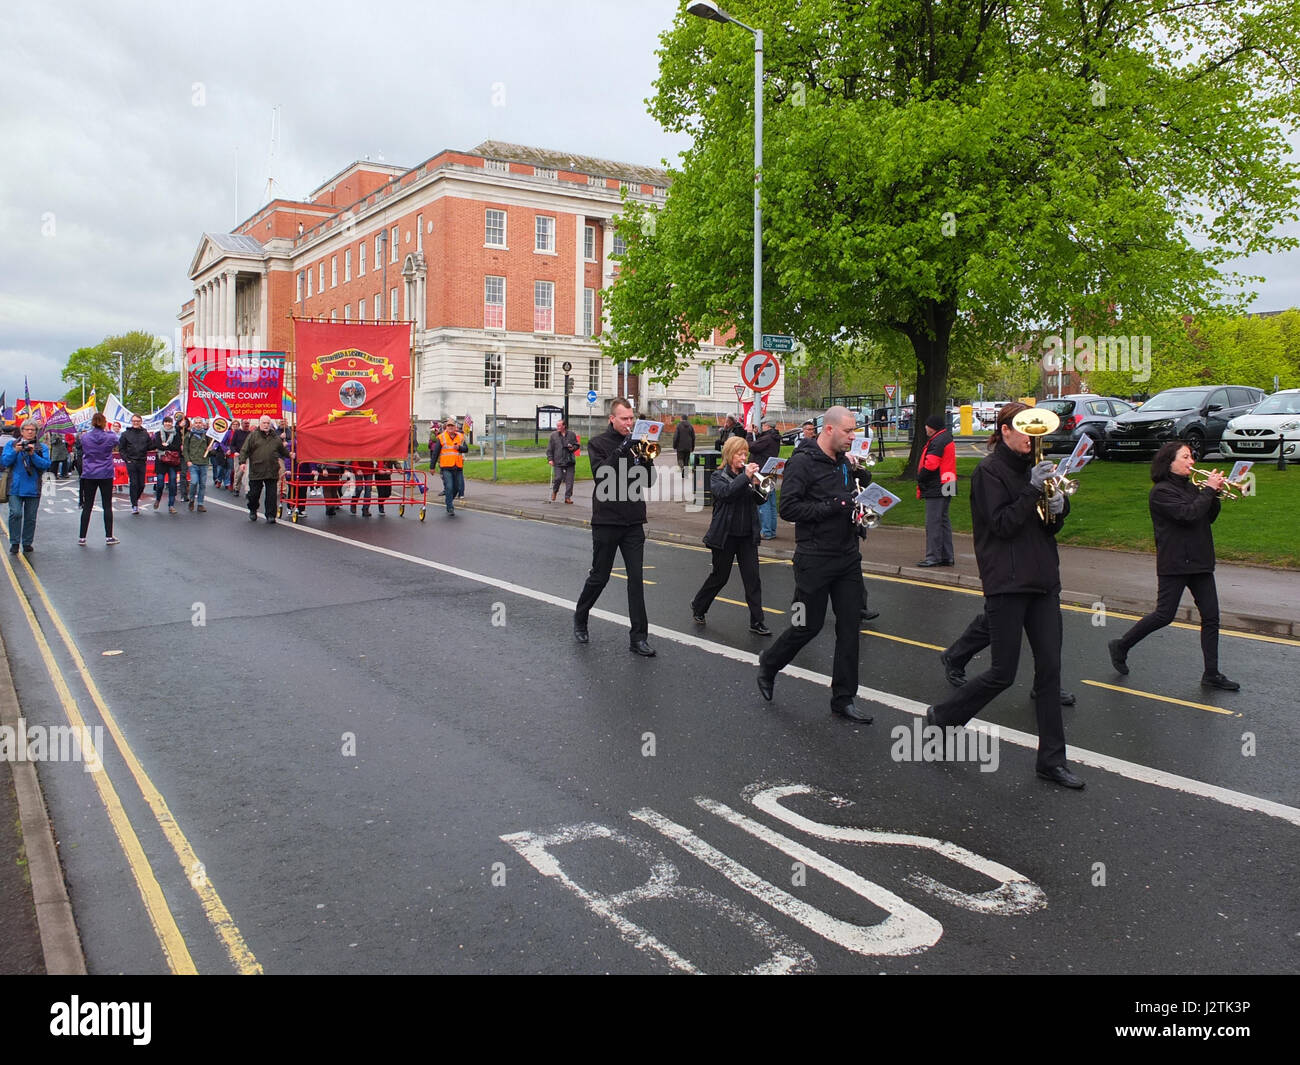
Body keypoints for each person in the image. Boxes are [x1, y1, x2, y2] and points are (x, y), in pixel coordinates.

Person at [925, 402, 1085, 789]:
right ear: (1005, 431)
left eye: (1036, 432)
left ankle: (1051, 760)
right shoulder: (988, 472)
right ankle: (944, 716)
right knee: (1003, 673)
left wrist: (1059, 507)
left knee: (1050, 672)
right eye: (1024, 430)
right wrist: (1031, 490)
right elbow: (1002, 525)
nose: (1032, 438)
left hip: (1044, 581)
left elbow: (1046, 527)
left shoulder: (1038, 468)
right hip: (1007, 582)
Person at [757, 406, 873, 722]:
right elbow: (789, 509)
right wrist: (834, 506)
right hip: (815, 557)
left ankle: (843, 699)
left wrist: (862, 488)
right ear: (829, 430)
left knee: (850, 628)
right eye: (849, 431)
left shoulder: (844, 462)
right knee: (807, 625)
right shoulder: (801, 463)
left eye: (854, 431)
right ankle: (769, 663)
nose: (853, 437)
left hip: (847, 555)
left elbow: (850, 495)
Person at [1107, 442, 1238, 691]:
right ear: (1170, 462)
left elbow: (1206, 516)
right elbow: (1187, 515)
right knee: (1164, 615)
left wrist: (1214, 495)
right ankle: (1121, 645)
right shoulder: (1161, 492)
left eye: (1191, 457)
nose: (1192, 462)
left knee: (1211, 617)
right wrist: (1207, 492)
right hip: (1175, 562)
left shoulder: (1191, 487)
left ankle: (1211, 673)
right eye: (1186, 457)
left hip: (1200, 561)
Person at [573, 398, 657, 656]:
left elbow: (649, 481)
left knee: (636, 580)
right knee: (600, 576)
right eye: (624, 419)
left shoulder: (637, 444)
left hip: (633, 521)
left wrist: (645, 459)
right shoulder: (597, 443)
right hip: (607, 520)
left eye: (631, 419)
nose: (629, 423)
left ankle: (639, 637)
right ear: (612, 419)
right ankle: (581, 616)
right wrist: (624, 447)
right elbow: (602, 475)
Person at [690, 435, 769, 634]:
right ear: (729, 455)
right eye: (739, 454)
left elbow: (759, 502)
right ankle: (699, 605)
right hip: (725, 536)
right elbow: (726, 493)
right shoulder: (718, 476)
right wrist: (746, 478)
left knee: (753, 579)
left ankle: (757, 622)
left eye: (745, 453)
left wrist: (759, 487)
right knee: (720, 577)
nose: (743, 457)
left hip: (747, 536)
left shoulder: (747, 478)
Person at [939, 611, 1077, 705]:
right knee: (999, 618)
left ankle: (1046, 685)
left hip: (1043, 576)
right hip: (1009, 576)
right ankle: (955, 656)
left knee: (1049, 621)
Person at [3, 420, 51, 555]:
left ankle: (27, 542)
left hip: (33, 487)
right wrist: (15, 451)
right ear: (22, 431)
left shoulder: (41, 447)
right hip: (15, 487)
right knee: (15, 514)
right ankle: (14, 542)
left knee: (30, 517)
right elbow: (5, 461)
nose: (30, 432)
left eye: (33, 430)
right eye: (27, 429)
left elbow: (45, 465)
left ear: (36, 432)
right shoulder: (11, 444)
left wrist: (32, 454)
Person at [916, 413, 957, 566]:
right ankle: (947, 556)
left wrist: (920, 477)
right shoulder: (946, 437)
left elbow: (931, 464)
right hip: (948, 482)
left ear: (932, 427)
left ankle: (933, 557)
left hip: (938, 484)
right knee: (944, 520)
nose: (925, 428)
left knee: (933, 522)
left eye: (927, 425)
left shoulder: (937, 441)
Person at [76, 412, 120, 547]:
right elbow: (118, 441)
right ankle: (108, 537)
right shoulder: (110, 437)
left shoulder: (85, 437)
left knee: (87, 506)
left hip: (89, 472)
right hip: (105, 472)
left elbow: (80, 446)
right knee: (107, 505)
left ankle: (82, 537)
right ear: (104, 422)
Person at [238, 415, 289, 523]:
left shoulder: (275, 437)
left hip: (272, 469)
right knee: (254, 494)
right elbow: (244, 450)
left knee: (271, 495)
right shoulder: (253, 436)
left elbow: (282, 451)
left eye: (267, 423)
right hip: (257, 469)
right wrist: (242, 462)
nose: (266, 425)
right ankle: (252, 509)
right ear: (260, 424)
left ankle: (270, 515)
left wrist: (290, 454)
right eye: (264, 423)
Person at [747, 418, 782, 540]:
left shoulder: (767, 439)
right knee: (771, 504)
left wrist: (749, 434)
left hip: (761, 474)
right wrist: (757, 434)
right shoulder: (774, 438)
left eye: (762, 424)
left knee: (763, 503)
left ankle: (766, 531)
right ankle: (771, 530)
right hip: (770, 472)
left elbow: (751, 447)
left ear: (766, 425)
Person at [431, 417, 468, 516]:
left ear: (455, 427)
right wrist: (432, 467)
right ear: (446, 427)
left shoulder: (460, 437)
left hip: (458, 466)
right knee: (449, 486)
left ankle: (449, 500)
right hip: (446, 467)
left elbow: (466, 449)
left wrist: (459, 447)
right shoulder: (442, 437)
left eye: (452, 426)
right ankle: (450, 507)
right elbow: (435, 453)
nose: (451, 428)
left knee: (457, 487)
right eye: (449, 426)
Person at [118, 413, 151, 514]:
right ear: (131, 422)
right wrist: (126, 459)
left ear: (141, 422)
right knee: (134, 483)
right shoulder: (125, 434)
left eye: (138, 421)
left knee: (141, 484)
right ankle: (134, 505)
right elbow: (121, 449)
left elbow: (150, 446)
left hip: (142, 461)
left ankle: (135, 499)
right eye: (134, 421)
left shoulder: (145, 433)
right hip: (131, 461)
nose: (136, 423)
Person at [150, 416, 183, 513]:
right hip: (161, 461)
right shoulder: (158, 433)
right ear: (163, 423)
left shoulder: (176, 434)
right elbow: (158, 445)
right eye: (166, 422)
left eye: (169, 422)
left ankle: (171, 505)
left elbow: (177, 446)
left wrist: (167, 446)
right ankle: (158, 499)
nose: (168, 424)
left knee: (173, 482)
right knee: (160, 483)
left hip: (172, 461)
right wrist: (167, 448)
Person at [183, 417, 214, 512]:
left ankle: (200, 503)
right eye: (196, 423)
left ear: (203, 424)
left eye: (200, 422)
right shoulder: (189, 435)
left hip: (204, 463)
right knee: (194, 482)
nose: (198, 424)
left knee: (202, 484)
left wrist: (211, 449)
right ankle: (192, 499)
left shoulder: (207, 435)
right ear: (193, 424)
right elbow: (185, 449)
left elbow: (212, 451)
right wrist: (188, 460)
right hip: (193, 463)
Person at [547, 418, 580, 504]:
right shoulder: (553, 435)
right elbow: (550, 449)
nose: (557, 427)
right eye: (557, 425)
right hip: (558, 460)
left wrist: (573, 448)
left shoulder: (572, 434)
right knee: (558, 478)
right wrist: (550, 459)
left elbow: (577, 444)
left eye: (559, 425)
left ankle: (567, 497)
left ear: (564, 426)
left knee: (570, 480)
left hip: (569, 460)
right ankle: (555, 491)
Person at [229, 420, 251, 495]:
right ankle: (236, 488)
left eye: (248, 423)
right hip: (238, 456)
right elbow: (232, 445)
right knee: (238, 473)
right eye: (245, 423)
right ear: (241, 424)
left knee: (247, 474)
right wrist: (234, 452)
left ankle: (247, 490)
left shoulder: (251, 433)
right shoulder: (237, 433)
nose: (246, 425)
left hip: (248, 456)